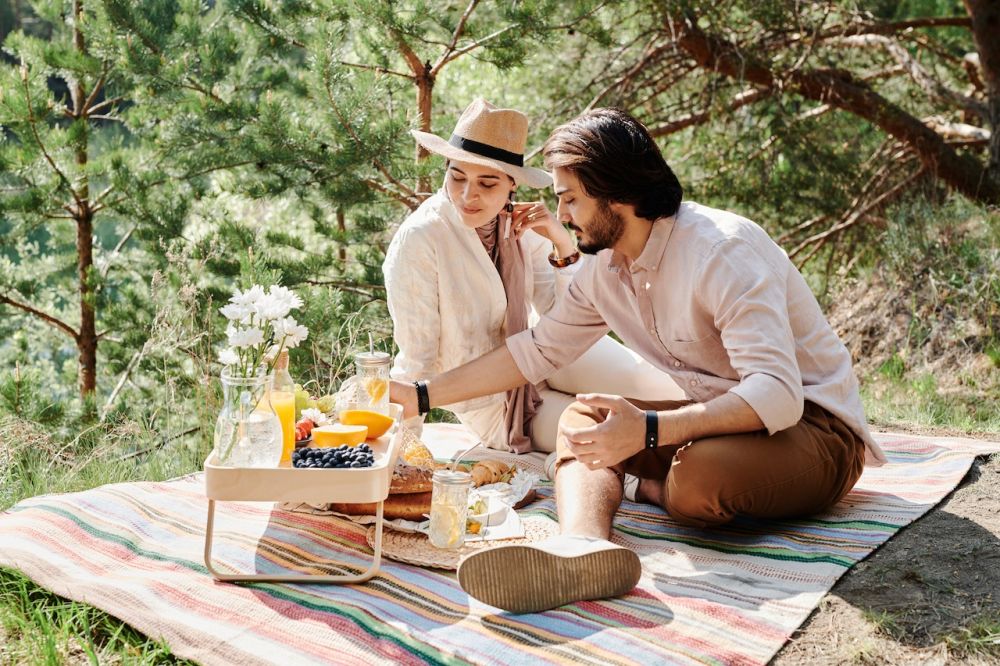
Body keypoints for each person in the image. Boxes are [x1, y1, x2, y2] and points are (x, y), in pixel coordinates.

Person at [390, 107, 887, 615]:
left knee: (697, 479)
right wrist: (421, 395)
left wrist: (649, 431)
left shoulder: (722, 250)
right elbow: (537, 351)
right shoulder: (604, 267)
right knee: (583, 420)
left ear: (616, 195)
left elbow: (778, 397)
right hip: (719, 420)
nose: (561, 215)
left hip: (812, 426)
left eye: (571, 200)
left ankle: (648, 487)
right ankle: (583, 548)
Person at [383, 99, 681, 455]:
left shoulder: (522, 224)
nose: (467, 195)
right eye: (456, 176)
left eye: (486, 183)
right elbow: (415, 357)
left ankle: (747, 430)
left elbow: (567, 315)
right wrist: (401, 454)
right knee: (596, 432)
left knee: (661, 387)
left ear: (512, 184)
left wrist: (559, 241)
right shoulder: (421, 238)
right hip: (492, 398)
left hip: (547, 353)